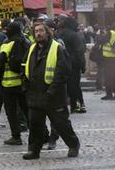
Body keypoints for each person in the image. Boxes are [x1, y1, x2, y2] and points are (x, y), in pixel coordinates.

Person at [22, 21, 80, 160]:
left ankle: (73, 144)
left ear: (47, 32)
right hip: (35, 94)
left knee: (61, 124)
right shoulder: (32, 49)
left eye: (41, 31)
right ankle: (34, 150)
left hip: (54, 95)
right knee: (35, 125)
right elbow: (24, 67)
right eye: (36, 31)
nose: (39, 33)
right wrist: (25, 86)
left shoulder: (57, 48)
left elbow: (63, 72)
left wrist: (51, 91)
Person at [0, 20, 29, 145]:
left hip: (8, 84)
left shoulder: (7, 44)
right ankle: (41, 134)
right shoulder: (27, 42)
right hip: (23, 83)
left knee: (11, 112)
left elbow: (0, 65)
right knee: (27, 110)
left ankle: (16, 137)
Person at [57, 16, 87, 114]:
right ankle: (76, 105)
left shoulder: (59, 35)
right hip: (73, 65)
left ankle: (63, 105)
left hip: (61, 64)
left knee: (64, 86)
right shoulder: (74, 35)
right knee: (75, 86)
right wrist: (83, 66)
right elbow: (80, 52)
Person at [99, 21, 115, 100]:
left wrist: (102, 36)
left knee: (108, 76)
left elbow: (102, 41)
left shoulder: (111, 33)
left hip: (108, 57)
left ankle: (109, 94)